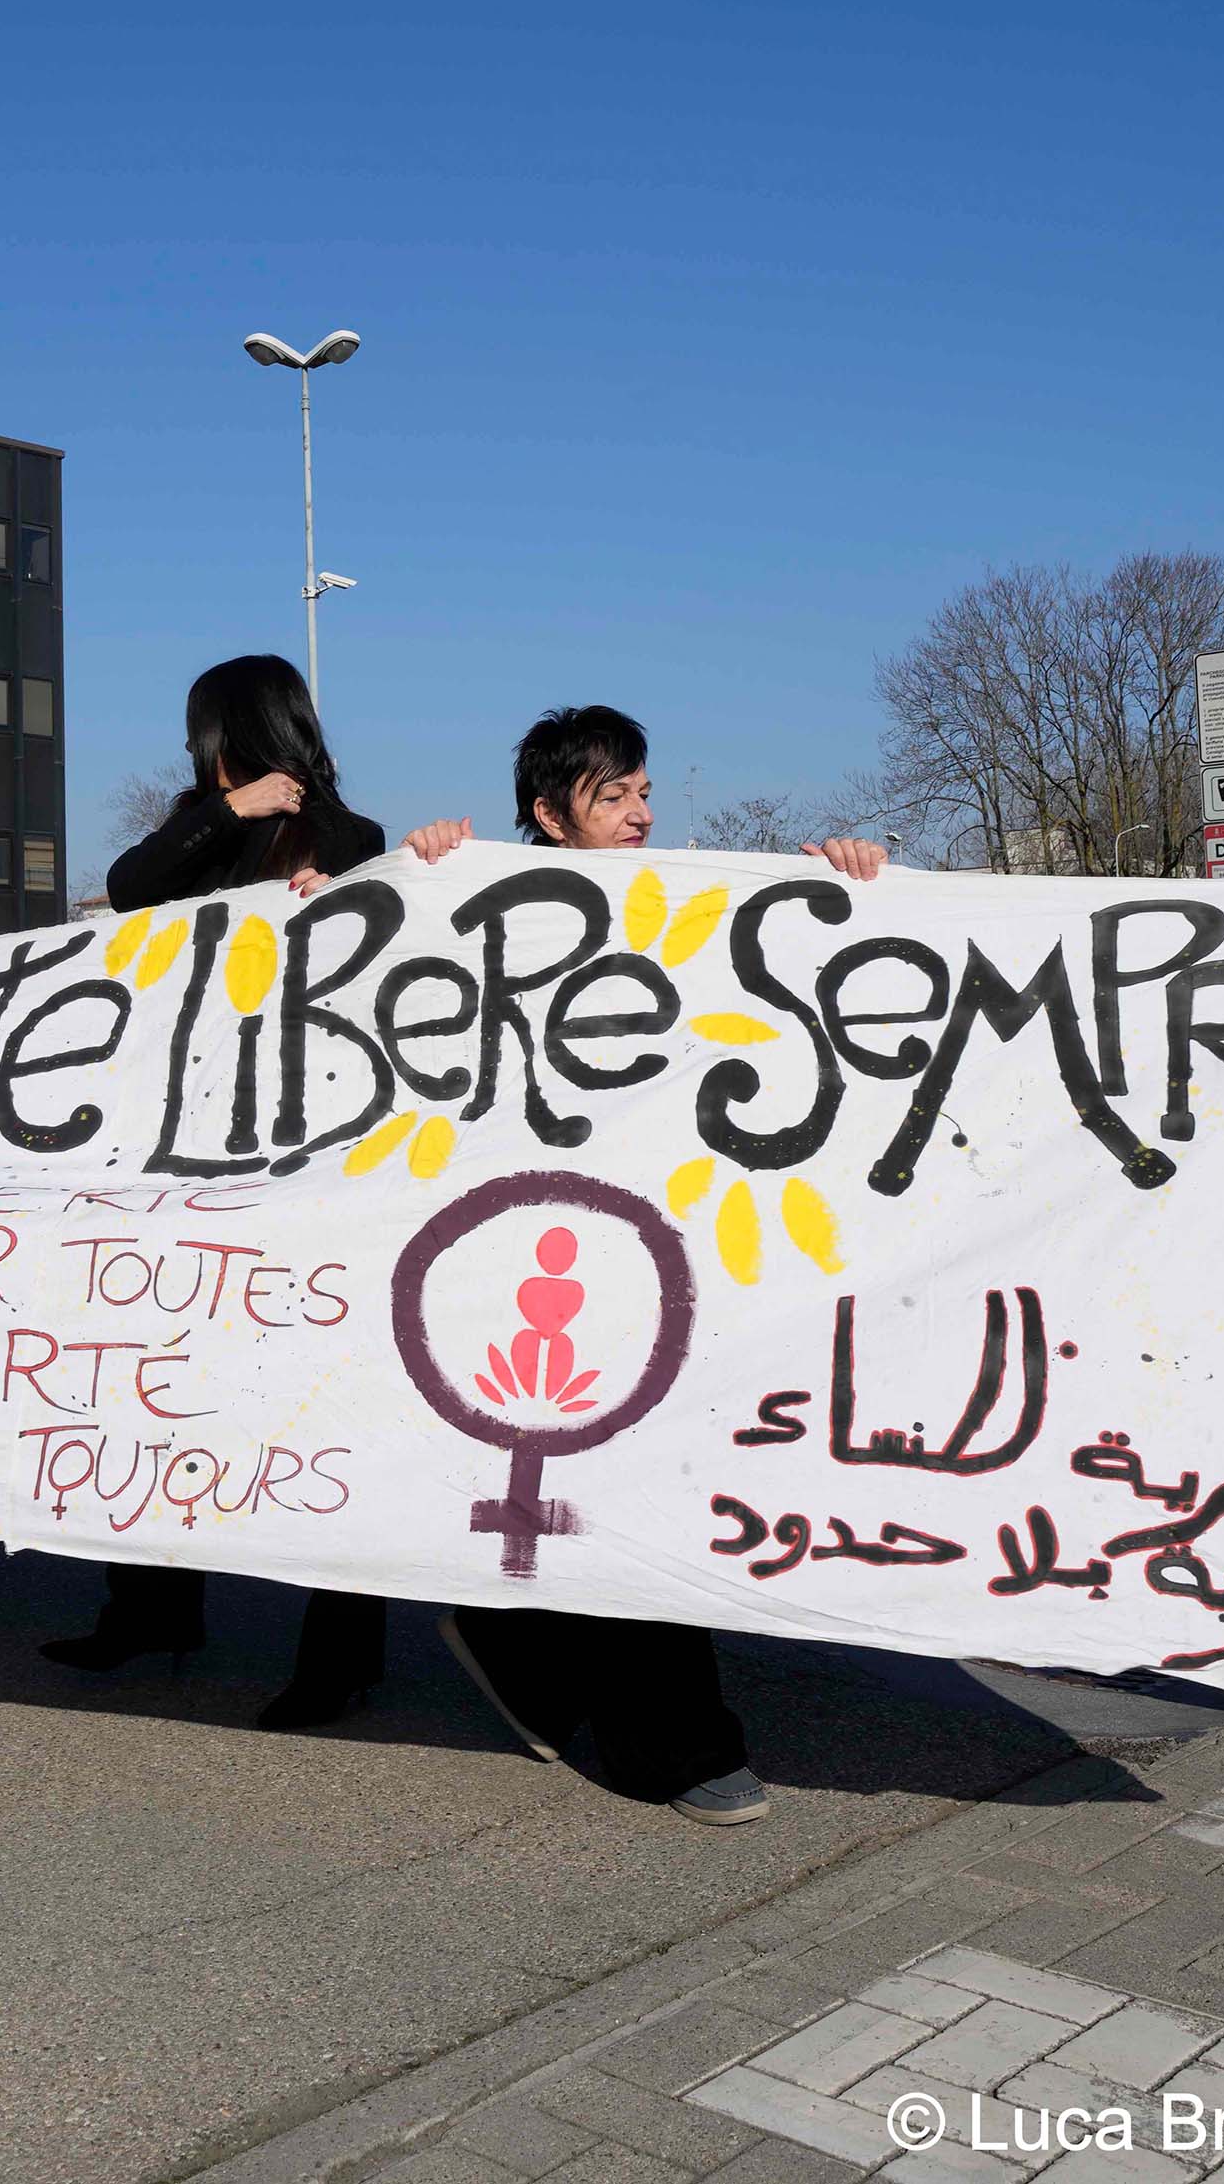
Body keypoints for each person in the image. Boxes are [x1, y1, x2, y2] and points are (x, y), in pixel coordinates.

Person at [389, 704, 868, 1827]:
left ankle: (518, 1642)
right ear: (550, 817)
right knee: (617, 1483)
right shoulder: (485, 905)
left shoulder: (692, 900)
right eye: (615, 797)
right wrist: (415, 878)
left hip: (669, 1245)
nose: (644, 815)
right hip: (542, 1247)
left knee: (633, 1479)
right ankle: (670, 1743)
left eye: (645, 790)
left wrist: (849, 884)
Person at [43, 654, 395, 1728]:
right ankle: (147, 1606)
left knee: (318, 1411)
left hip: (296, 1167)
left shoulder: (349, 841)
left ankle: (337, 1658)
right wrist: (225, 810)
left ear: (229, 732)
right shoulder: (201, 826)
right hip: (174, 1158)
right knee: (149, 1394)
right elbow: (137, 885)